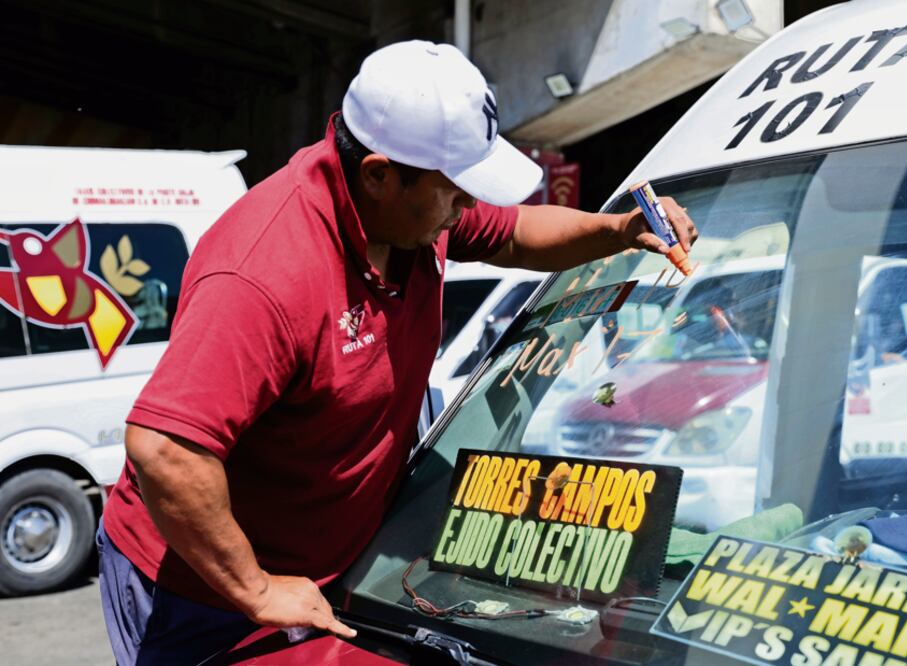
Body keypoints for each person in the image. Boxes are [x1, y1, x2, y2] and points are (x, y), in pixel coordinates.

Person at [97, 40, 697, 664]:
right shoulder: (264, 273)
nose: (468, 205)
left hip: (335, 569)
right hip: (205, 592)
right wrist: (256, 588)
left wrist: (618, 230)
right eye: (457, 191)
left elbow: (516, 234)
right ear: (378, 174)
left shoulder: (410, 212)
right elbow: (165, 449)